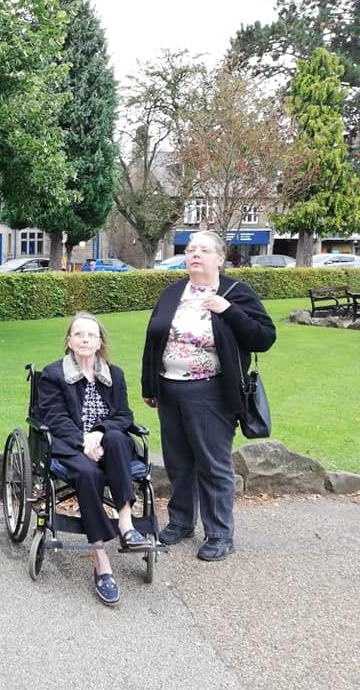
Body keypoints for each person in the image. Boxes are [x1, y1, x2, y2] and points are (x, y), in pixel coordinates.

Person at [142, 230, 276, 561]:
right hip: (169, 389)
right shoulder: (173, 293)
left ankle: (219, 533)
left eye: (203, 250)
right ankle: (181, 522)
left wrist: (228, 310)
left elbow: (264, 338)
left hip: (211, 392)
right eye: (190, 250)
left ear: (220, 258)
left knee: (213, 464)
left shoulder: (235, 292)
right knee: (177, 462)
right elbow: (153, 341)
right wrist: (149, 385)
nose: (195, 255)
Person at [35, 312, 152, 605]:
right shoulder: (53, 374)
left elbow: (124, 415)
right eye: (79, 334)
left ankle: (126, 525)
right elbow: (54, 417)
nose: (85, 340)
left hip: (110, 446)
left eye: (91, 335)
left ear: (100, 342)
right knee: (88, 474)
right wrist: (83, 440)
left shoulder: (115, 375)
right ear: (69, 341)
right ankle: (100, 559)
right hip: (71, 446)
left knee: (116, 437)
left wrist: (99, 432)